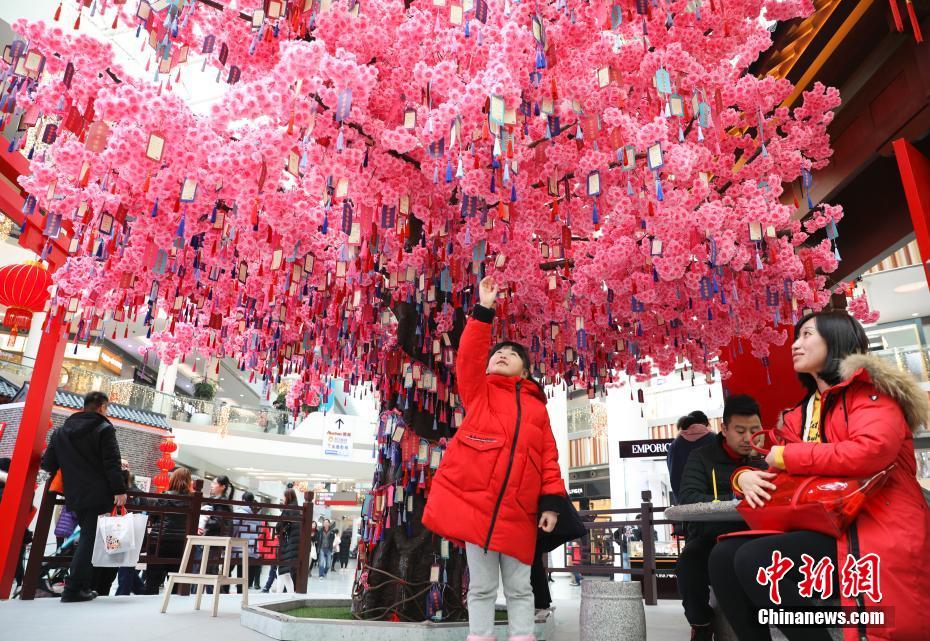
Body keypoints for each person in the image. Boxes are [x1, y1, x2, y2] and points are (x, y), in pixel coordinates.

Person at [710, 310, 930, 641]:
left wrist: (788, 455)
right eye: (797, 337)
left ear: (838, 338)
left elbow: (869, 452)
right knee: (723, 557)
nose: (796, 344)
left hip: (874, 525)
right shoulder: (802, 412)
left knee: (756, 558)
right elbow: (777, 467)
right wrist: (742, 478)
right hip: (827, 523)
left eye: (807, 335)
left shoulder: (872, 395)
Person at [423, 276, 566, 641]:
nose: (501, 355)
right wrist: (484, 308)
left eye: (512, 354)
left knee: (521, 589)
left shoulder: (537, 409)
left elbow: (548, 458)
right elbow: (470, 356)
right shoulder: (480, 393)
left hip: (521, 510)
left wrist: (551, 503)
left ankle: (521, 637)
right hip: (479, 508)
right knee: (482, 588)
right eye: (497, 353)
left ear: (527, 370)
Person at [675, 394, 766, 641]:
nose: (749, 438)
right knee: (688, 564)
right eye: (740, 431)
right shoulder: (702, 457)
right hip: (712, 536)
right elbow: (689, 497)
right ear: (724, 429)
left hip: (759, 537)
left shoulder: (767, 458)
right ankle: (702, 623)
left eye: (755, 430)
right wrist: (737, 493)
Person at [40, 391, 127, 603]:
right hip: (99, 494)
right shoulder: (104, 429)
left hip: (74, 495)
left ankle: (80, 586)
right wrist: (119, 489)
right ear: (102, 407)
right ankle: (74, 588)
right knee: (89, 537)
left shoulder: (60, 432)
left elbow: (48, 463)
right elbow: (112, 462)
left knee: (87, 536)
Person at [145, 467, 193, 595]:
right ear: (189, 481)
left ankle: (149, 606)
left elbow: (153, 516)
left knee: (153, 579)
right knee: (176, 580)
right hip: (181, 543)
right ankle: (171, 608)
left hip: (160, 540)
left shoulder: (164, 496)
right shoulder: (192, 500)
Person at [666, 411, 716, 504]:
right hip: (715, 501)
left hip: (686, 503)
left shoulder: (674, 445)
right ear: (705, 424)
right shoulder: (715, 439)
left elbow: (674, 474)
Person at [233, 491, 263, 590]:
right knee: (243, 572)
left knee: (228, 569)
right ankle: (241, 593)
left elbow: (233, 529)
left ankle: (226, 591)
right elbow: (260, 531)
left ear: (243, 500)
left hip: (238, 547)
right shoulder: (257, 513)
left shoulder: (239, 512)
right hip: (252, 548)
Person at [275, 488, 301, 592]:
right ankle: (283, 595)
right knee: (283, 572)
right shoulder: (297, 509)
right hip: (294, 544)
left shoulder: (288, 509)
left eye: (284, 496)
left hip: (288, 543)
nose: (283, 498)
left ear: (288, 497)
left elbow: (279, 525)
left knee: (282, 572)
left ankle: (284, 595)